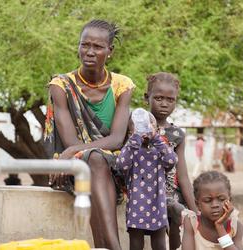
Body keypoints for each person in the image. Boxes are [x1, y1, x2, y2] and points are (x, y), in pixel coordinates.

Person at [43, 19, 135, 250]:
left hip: (116, 164)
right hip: (74, 167)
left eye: (97, 46)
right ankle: (113, 247)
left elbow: (116, 140)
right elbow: (70, 141)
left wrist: (73, 151)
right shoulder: (62, 85)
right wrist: (74, 151)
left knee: (97, 159)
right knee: (94, 159)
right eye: (85, 45)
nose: (90, 52)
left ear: (110, 51)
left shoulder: (122, 85)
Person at [144, 72, 197, 250]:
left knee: (176, 226)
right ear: (147, 98)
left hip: (171, 191)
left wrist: (195, 210)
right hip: (145, 188)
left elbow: (182, 175)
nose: (164, 104)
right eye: (158, 98)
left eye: (170, 99)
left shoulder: (177, 134)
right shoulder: (137, 126)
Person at [116, 108, 178, 250]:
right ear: (131, 132)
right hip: (136, 205)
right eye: (138, 127)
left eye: (149, 126)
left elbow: (171, 160)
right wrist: (135, 140)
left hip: (158, 204)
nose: (144, 130)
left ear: (157, 129)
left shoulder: (160, 150)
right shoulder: (131, 150)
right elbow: (121, 165)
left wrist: (156, 138)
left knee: (159, 243)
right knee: (136, 243)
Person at [181, 170, 243, 250]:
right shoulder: (191, 223)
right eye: (208, 200)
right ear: (197, 204)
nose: (215, 205)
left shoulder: (235, 226)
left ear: (230, 200)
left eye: (221, 199)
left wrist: (220, 227)